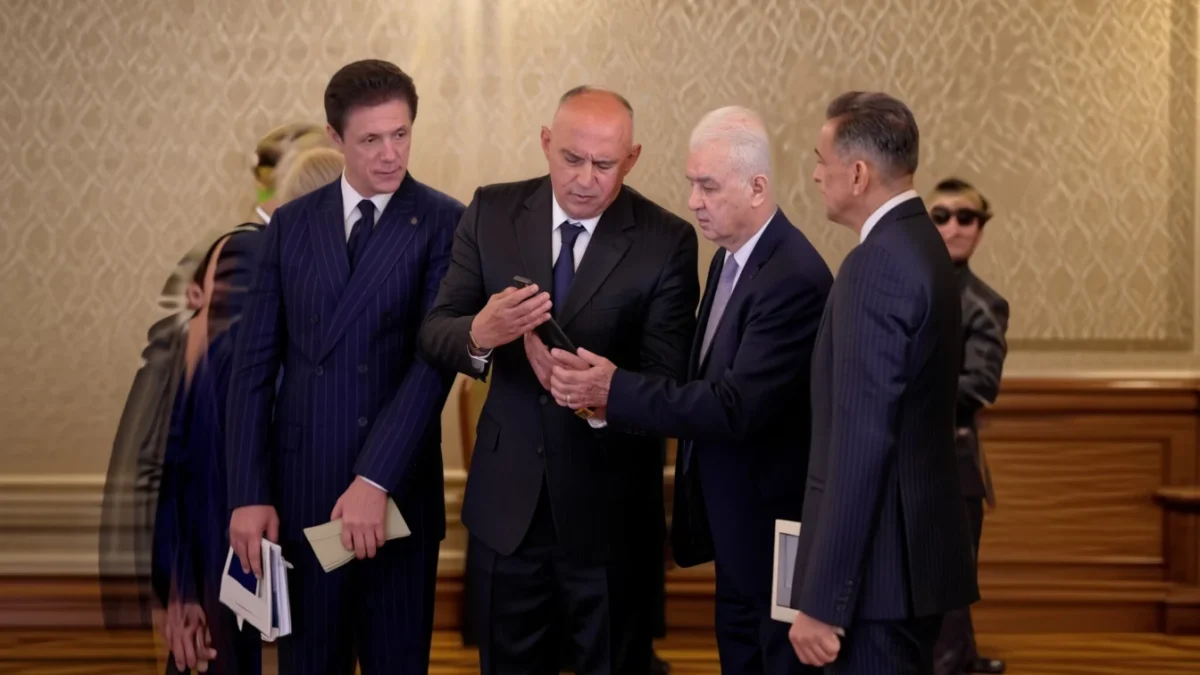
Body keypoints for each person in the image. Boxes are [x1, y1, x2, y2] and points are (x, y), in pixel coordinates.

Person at [418, 85, 699, 675]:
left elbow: (669, 382)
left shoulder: (666, 239)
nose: (586, 179)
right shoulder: (492, 211)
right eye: (572, 158)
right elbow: (436, 330)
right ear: (547, 143)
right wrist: (482, 332)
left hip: (611, 515)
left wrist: (601, 396)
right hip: (507, 510)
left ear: (632, 159)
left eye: (605, 164)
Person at [547, 106, 831, 675]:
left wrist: (614, 389)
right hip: (734, 529)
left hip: (769, 532)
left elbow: (734, 407)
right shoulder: (730, 259)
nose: (693, 201)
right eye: (691, 183)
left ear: (757, 188)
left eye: (708, 186)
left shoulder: (793, 276)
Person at [224, 59, 464, 675]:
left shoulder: (445, 221)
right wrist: (248, 493)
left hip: (397, 491)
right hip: (304, 490)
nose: (391, 154)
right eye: (371, 139)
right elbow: (253, 369)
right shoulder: (291, 226)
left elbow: (433, 365)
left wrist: (374, 479)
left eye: (401, 134)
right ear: (335, 137)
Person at [786, 91, 979, 673]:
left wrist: (822, 602)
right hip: (909, 566)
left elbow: (862, 443)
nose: (815, 175)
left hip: (877, 584)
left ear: (858, 173)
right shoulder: (920, 243)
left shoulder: (877, 264)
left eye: (820, 160)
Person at [929, 178, 1009, 675]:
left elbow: (981, 385)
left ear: (980, 228)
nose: (953, 226)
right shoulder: (911, 286)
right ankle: (965, 660)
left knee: (950, 581)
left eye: (966, 217)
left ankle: (956, 665)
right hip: (908, 457)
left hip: (953, 464)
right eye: (940, 216)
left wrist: (910, 385)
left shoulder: (983, 302)